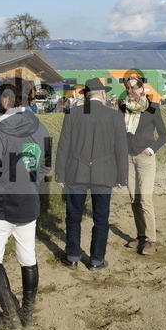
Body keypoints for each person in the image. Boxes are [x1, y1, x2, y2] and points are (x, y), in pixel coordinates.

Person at [0, 79, 51, 330]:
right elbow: (46, 165)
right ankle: (27, 314)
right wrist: (28, 181)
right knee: (27, 257)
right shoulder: (42, 127)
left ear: (8, 99)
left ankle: (10, 317)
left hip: (2, 201)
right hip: (29, 200)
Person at [55, 77, 128, 270]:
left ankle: (72, 256)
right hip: (104, 174)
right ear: (103, 94)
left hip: (75, 171)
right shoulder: (115, 116)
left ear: (86, 95)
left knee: (73, 217)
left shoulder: (73, 113)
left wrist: (59, 175)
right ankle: (96, 260)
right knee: (101, 219)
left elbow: (63, 147)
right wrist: (122, 177)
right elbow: (121, 149)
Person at [119, 76, 166, 256]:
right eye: (128, 88)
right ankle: (140, 235)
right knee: (134, 199)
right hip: (128, 158)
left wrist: (150, 150)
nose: (130, 92)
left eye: (133, 88)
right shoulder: (123, 108)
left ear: (142, 89)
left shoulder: (153, 109)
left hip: (145, 159)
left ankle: (151, 240)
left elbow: (164, 135)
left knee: (146, 199)